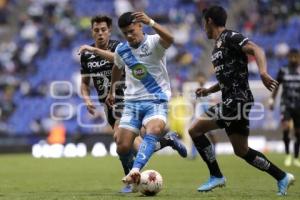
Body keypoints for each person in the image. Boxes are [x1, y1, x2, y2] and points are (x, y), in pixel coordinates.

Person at [188, 6, 295, 196]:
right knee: (241, 150)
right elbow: (228, 78)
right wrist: (208, 90)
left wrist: (262, 72)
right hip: (237, 100)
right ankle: (282, 176)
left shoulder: (230, 37)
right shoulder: (217, 46)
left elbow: (256, 49)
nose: (203, 26)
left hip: (237, 101)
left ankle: (216, 175)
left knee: (194, 129)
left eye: (203, 22)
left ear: (209, 21)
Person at [79, 15, 186, 192]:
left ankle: (132, 178)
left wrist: (95, 51)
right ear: (92, 31)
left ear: (109, 31)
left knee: (122, 139)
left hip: (127, 97)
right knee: (128, 145)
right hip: (108, 102)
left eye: (103, 30)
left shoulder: (117, 46)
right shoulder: (89, 56)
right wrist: (89, 99)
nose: (100, 33)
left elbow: (116, 59)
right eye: (96, 30)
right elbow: (90, 80)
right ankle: (166, 142)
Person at [106, 11, 174, 185]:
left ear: (139, 26)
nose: (129, 36)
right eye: (125, 33)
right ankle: (133, 176)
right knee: (122, 146)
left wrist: (152, 22)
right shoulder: (122, 50)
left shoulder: (154, 42)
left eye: (131, 31)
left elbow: (171, 39)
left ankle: (134, 172)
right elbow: (116, 66)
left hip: (156, 99)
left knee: (155, 129)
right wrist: (112, 90)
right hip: (132, 102)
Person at [269, 48, 300, 167]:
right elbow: (276, 86)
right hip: (285, 104)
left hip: (298, 106)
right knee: (286, 127)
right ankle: (287, 154)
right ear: (288, 57)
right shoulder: (283, 70)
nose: (293, 59)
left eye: (295, 56)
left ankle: (296, 157)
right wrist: (272, 99)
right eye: (291, 56)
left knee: (298, 133)